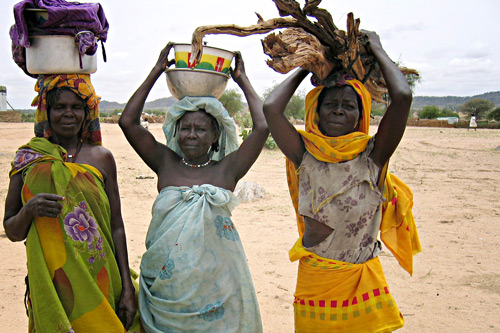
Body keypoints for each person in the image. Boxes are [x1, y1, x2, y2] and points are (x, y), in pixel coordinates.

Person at [263, 31, 421, 332]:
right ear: (316, 113)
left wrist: (378, 48)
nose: (337, 109)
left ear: (360, 115)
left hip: (359, 279)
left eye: (348, 105)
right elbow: (271, 108)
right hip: (317, 279)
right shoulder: (304, 154)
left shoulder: (373, 157)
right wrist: (306, 64)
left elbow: (402, 97)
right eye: (330, 104)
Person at [119, 43, 268, 332]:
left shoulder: (227, 170)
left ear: (215, 136)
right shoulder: (165, 161)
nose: (191, 134)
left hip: (215, 292)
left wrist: (242, 79)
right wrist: (156, 71)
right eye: (185, 127)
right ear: (176, 130)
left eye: (200, 129)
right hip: (165, 292)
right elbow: (128, 121)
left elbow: (262, 127)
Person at [3, 74, 141, 332]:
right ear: (46, 112)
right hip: (55, 287)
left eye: (76, 107)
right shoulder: (28, 159)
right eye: (60, 107)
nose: (68, 114)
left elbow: (116, 225)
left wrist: (125, 286)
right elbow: (11, 229)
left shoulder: (101, 158)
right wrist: (30, 210)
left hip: (102, 278)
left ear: (87, 113)